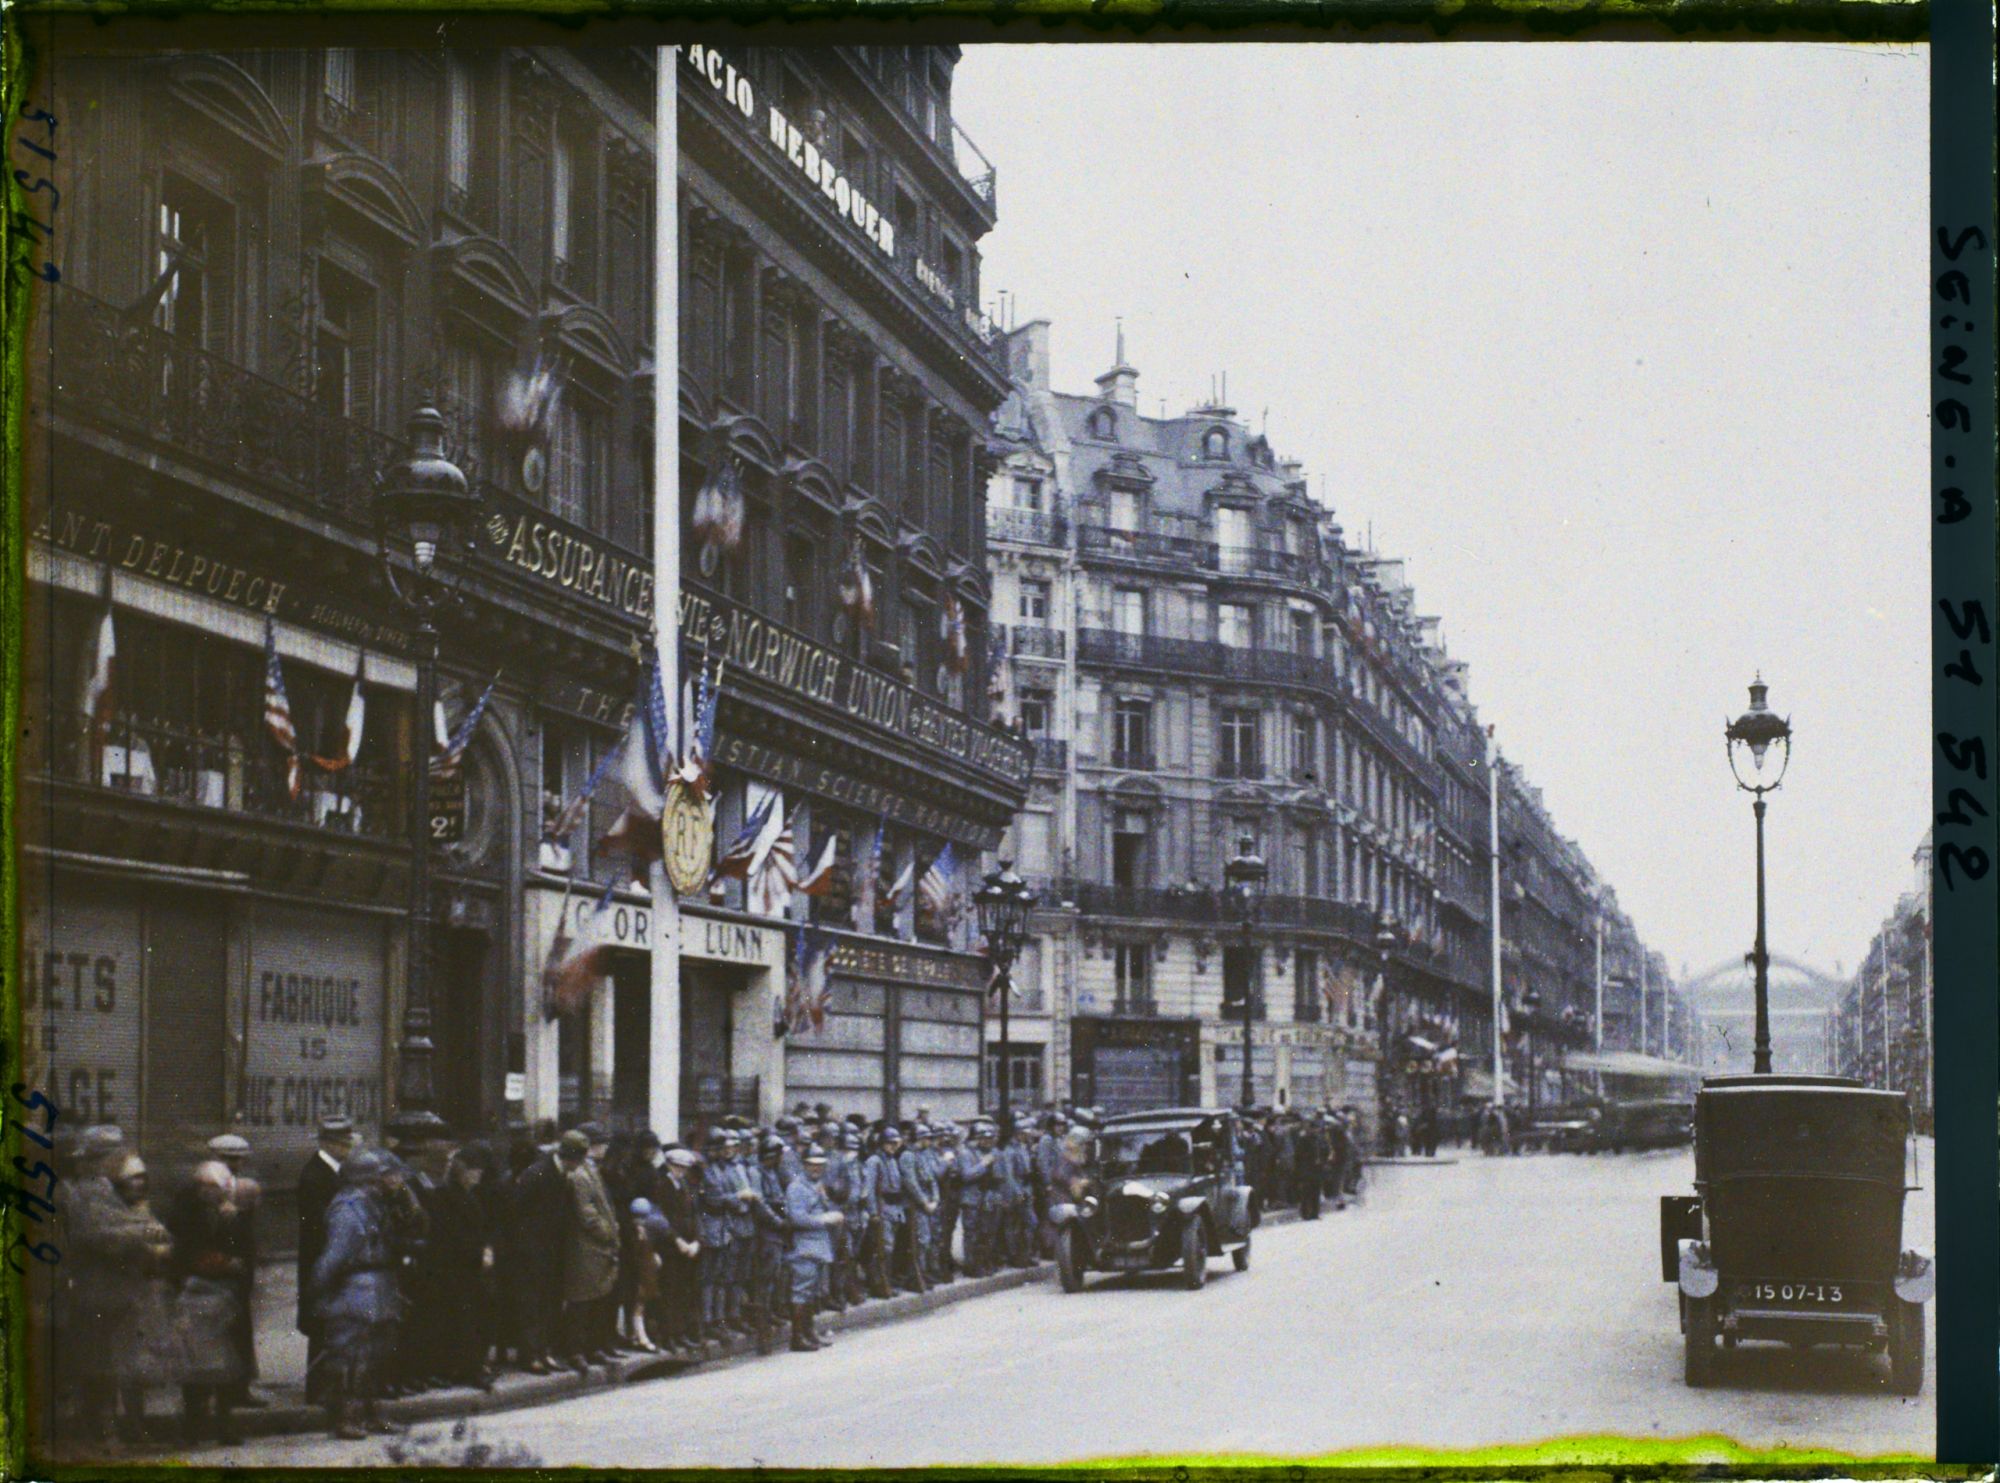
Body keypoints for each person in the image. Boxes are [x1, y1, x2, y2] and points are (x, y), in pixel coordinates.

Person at [307, 1149, 403, 1440]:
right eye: (380, 1177)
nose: (387, 1182)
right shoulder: (347, 1209)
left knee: (376, 1355)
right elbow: (333, 1257)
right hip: (355, 1287)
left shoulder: (375, 1205)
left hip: (379, 1284)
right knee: (350, 1357)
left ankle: (371, 1413)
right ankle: (345, 1417)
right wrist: (317, 1291)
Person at [165, 1160, 250, 1444]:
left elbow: (246, 1252)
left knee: (225, 1365)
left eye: (216, 1187)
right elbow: (182, 1251)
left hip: (225, 1295)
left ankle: (224, 1423)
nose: (209, 1192)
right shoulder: (184, 1213)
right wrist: (218, 1263)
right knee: (195, 1365)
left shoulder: (234, 1214)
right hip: (195, 1293)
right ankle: (194, 1425)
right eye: (205, 1186)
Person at [426, 1141, 498, 1387]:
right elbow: (453, 1236)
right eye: (474, 1171)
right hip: (458, 1270)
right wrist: (480, 1253)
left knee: (474, 1320)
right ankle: (468, 1369)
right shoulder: (446, 1197)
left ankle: (472, 1366)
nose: (478, 1175)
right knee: (464, 1322)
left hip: (471, 1268)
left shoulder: (470, 1196)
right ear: (462, 1171)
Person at [295, 1117, 355, 1406]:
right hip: (322, 1259)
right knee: (322, 1325)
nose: (347, 1149)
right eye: (343, 1144)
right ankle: (318, 1390)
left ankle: (329, 1387)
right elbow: (320, 1224)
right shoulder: (314, 1177)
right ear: (328, 1144)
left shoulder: (336, 1172)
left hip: (332, 1259)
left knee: (332, 1325)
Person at [202, 1134, 262, 1409]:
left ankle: (239, 1388)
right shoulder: (203, 1190)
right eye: (228, 1159)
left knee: (240, 1329)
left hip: (239, 1270)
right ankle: (210, 1392)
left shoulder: (245, 1189)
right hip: (213, 1269)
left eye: (238, 1159)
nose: (234, 1165)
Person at [559, 1129, 620, 1367]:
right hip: (586, 1248)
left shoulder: (590, 1171)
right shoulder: (580, 1176)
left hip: (596, 1247)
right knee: (582, 1302)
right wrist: (608, 1232)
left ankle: (592, 1347)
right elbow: (588, 1214)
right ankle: (576, 1351)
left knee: (597, 1299)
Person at [784, 1146, 843, 1352]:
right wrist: (825, 1219)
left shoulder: (817, 1185)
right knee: (801, 1291)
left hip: (818, 1244)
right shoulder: (797, 1188)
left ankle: (809, 1333)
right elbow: (797, 1218)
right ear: (804, 1165)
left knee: (811, 1291)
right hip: (804, 1245)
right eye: (812, 1165)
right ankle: (798, 1337)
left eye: (820, 1165)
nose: (816, 1168)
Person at [654, 1147, 703, 1352]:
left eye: (684, 1168)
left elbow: (694, 1214)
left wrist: (696, 1241)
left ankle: (681, 1332)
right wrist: (677, 1240)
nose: (680, 1171)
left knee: (684, 1291)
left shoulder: (684, 1184)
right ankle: (668, 1335)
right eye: (677, 1167)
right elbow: (662, 1218)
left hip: (688, 1245)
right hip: (671, 1247)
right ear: (669, 1165)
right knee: (670, 1292)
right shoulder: (662, 1186)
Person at [751, 1134, 792, 1354]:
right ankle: (763, 1330)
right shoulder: (758, 1173)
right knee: (764, 1282)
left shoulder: (774, 1173)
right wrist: (778, 1222)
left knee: (775, 1276)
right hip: (766, 1232)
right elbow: (760, 1204)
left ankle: (769, 1317)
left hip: (776, 1230)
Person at [696, 1128, 738, 1339]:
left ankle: (718, 1320)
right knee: (708, 1278)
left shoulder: (718, 1168)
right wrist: (736, 1198)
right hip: (708, 1227)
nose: (720, 1152)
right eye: (716, 1149)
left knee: (720, 1278)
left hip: (722, 1228)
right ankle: (707, 1321)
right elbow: (713, 1200)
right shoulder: (702, 1170)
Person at [865, 1125, 906, 1297]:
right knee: (883, 1248)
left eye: (895, 1143)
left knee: (890, 1247)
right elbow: (869, 1189)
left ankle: (886, 1280)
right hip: (882, 1208)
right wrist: (873, 1212)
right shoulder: (874, 1161)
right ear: (882, 1143)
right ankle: (878, 1283)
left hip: (894, 1208)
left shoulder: (892, 1160)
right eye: (889, 1143)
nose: (893, 1146)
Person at [895, 1123, 937, 1292]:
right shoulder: (907, 1156)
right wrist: (924, 1202)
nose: (929, 1141)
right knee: (919, 1241)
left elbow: (931, 1178)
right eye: (927, 1138)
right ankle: (914, 1275)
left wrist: (935, 1199)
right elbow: (911, 1183)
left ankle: (922, 1271)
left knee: (926, 1240)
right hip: (914, 1205)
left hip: (926, 1203)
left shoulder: (923, 1154)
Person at [955, 1122, 996, 1278]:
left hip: (984, 1197)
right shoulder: (966, 1154)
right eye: (983, 1138)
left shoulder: (987, 1152)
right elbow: (966, 1175)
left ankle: (982, 1262)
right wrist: (983, 1164)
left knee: (984, 1231)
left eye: (989, 1139)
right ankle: (970, 1265)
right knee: (971, 1233)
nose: (987, 1142)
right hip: (971, 1198)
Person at [840, 1129, 875, 1306]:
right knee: (845, 1254)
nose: (851, 1153)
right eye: (847, 1149)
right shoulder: (837, 1168)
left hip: (858, 1214)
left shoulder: (861, 1166)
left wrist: (867, 1209)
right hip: (843, 1215)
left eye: (854, 1149)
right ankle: (847, 1290)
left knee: (854, 1253)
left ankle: (853, 1286)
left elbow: (865, 1189)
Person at [931, 1121, 961, 1284]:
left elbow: (957, 1172)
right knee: (939, 1233)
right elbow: (936, 1175)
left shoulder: (951, 1151)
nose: (944, 1139)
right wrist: (946, 1162)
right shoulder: (932, 1154)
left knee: (949, 1231)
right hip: (940, 1197)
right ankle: (939, 1267)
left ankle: (946, 1260)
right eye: (941, 1136)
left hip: (951, 1195)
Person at [1295, 1115, 1326, 1220]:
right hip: (1307, 1169)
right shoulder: (1304, 1139)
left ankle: (1315, 1213)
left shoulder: (1320, 1139)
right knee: (1306, 1192)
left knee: (1316, 1192)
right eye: (1314, 1128)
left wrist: (1322, 1160)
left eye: (1318, 1128)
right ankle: (1305, 1213)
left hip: (1318, 1169)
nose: (1316, 1131)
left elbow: (1324, 1151)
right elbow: (1299, 1155)